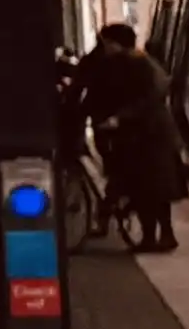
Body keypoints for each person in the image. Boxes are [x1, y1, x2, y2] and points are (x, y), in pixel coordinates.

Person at [64, 24, 182, 254]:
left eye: (107, 43)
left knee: (150, 188)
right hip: (143, 135)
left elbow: (149, 98)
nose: (105, 47)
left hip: (150, 136)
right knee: (149, 189)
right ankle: (155, 236)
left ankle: (157, 236)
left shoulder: (138, 64)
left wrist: (119, 118)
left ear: (116, 43)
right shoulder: (127, 62)